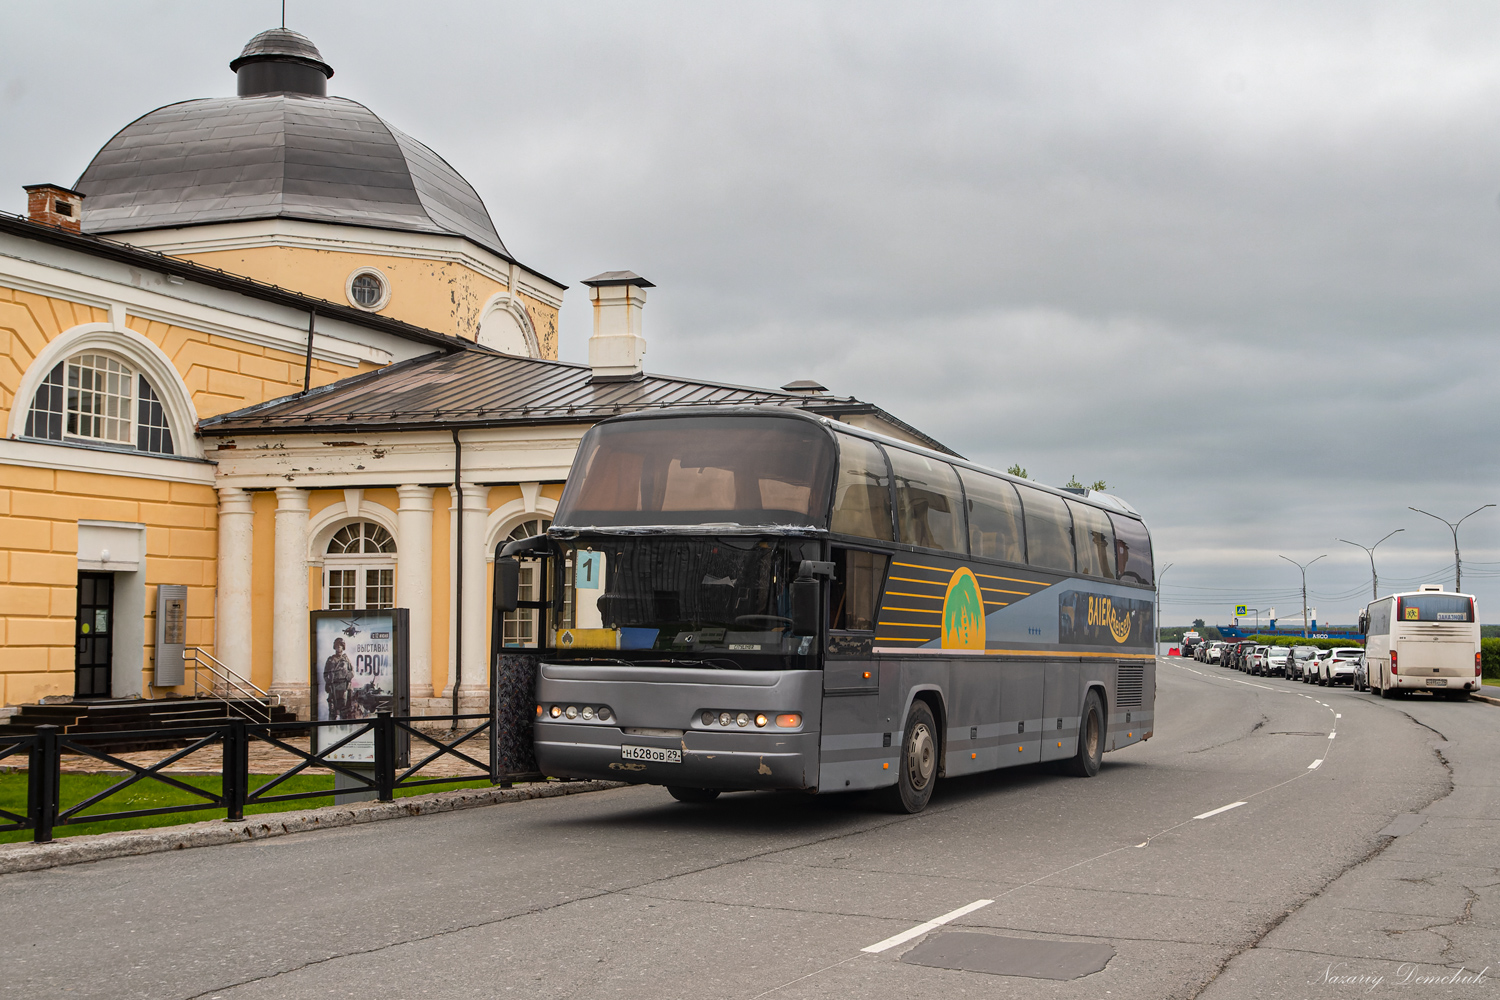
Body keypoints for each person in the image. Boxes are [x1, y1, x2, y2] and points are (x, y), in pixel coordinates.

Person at [323, 636, 354, 720]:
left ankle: (343, 731)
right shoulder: (330, 659)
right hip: (333, 686)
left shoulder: (346, 660)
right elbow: (325, 673)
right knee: (332, 711)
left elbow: (352, 671)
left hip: (343, 686)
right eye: (337, 646)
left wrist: (348, 677)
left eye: (340, 645)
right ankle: (331, 731)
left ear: (343, 647)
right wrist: (328, 682)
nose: (338, 647)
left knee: (343, 711)